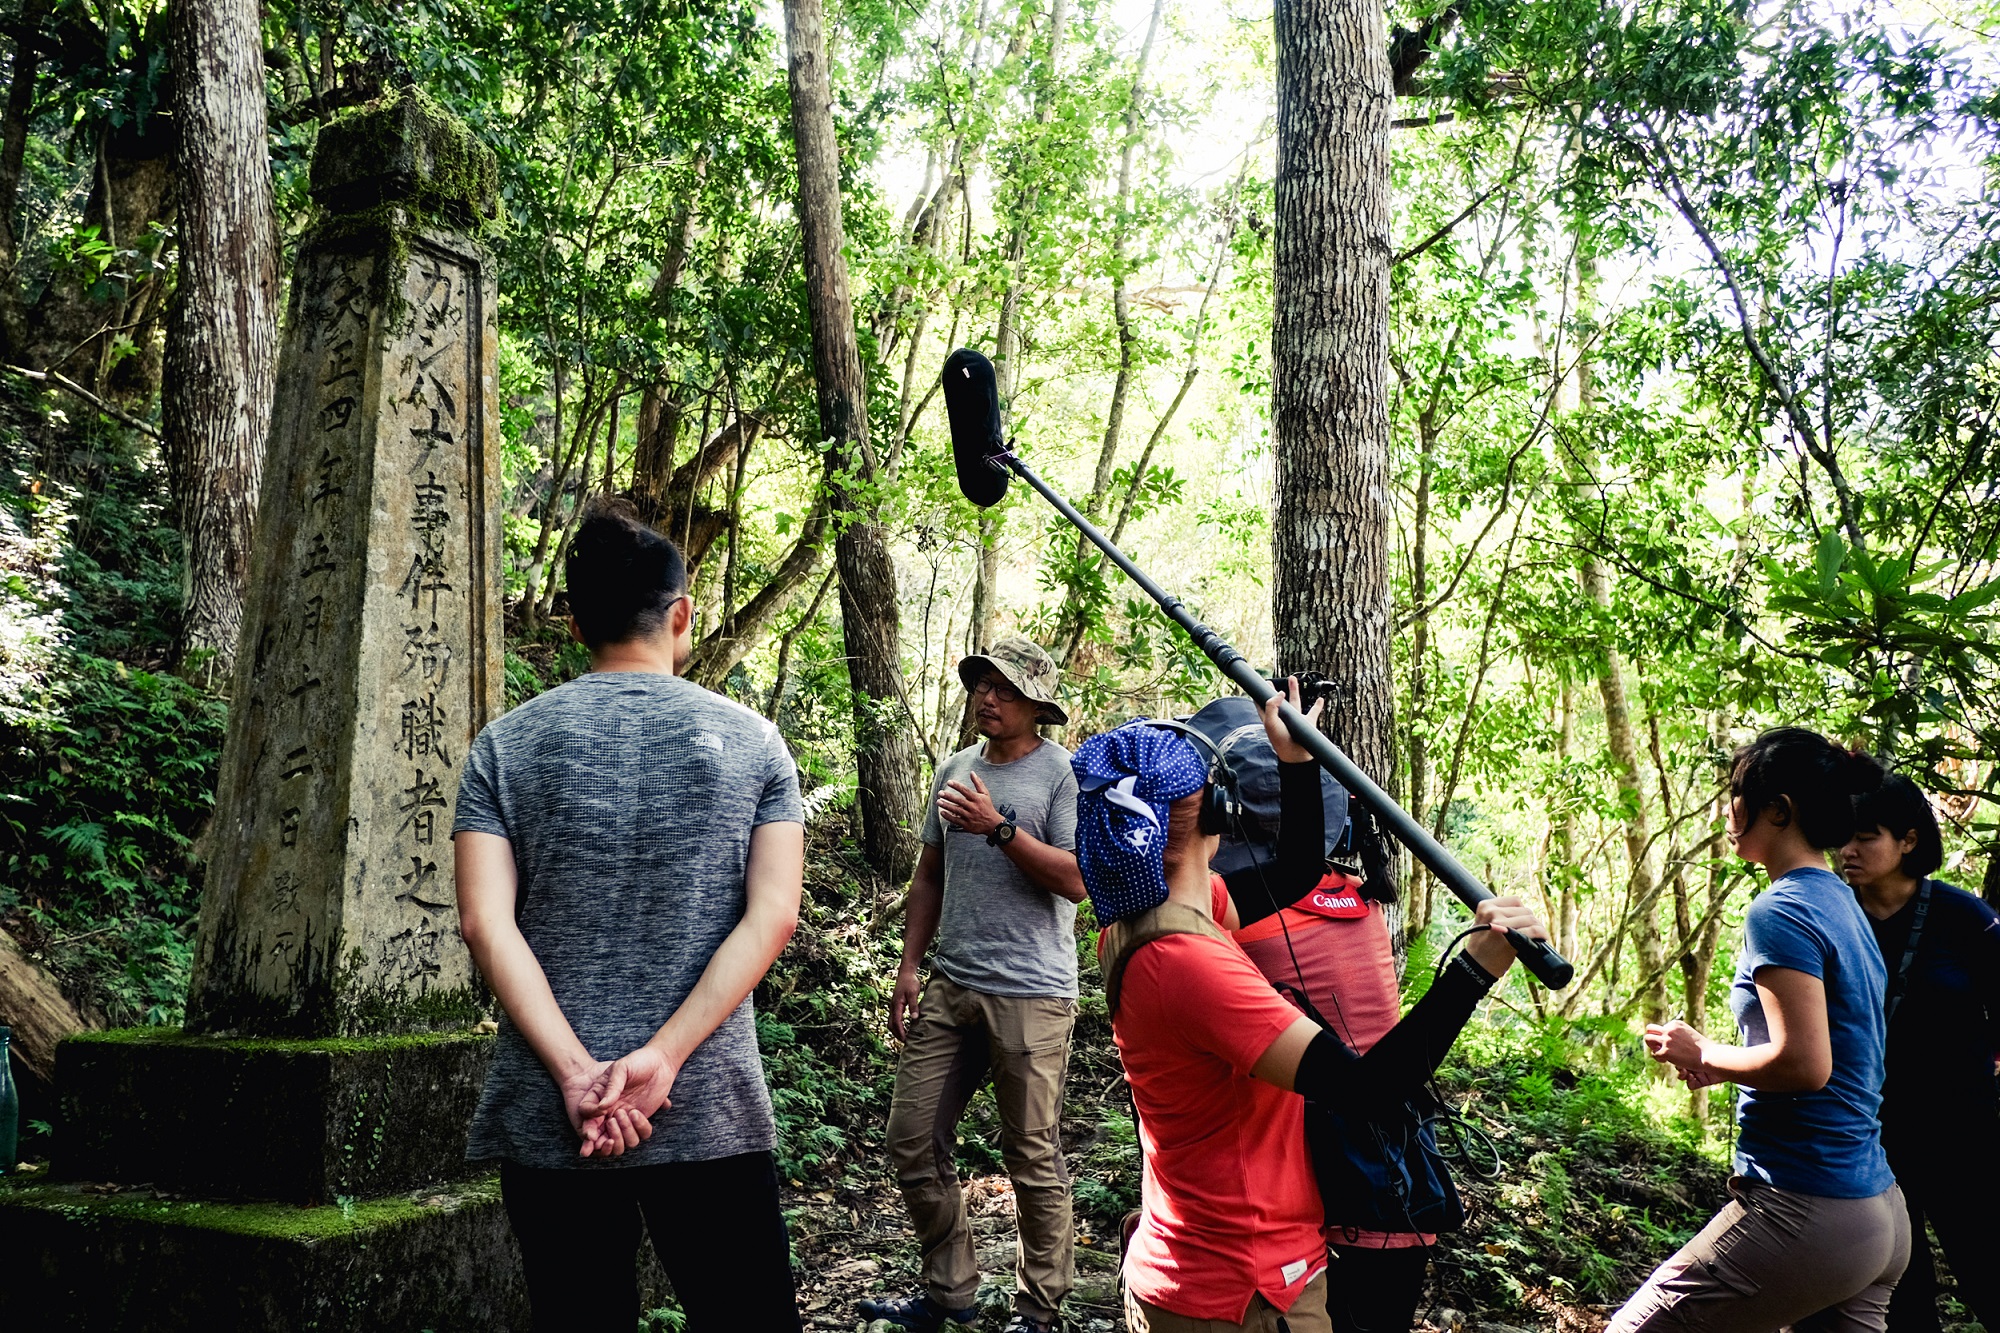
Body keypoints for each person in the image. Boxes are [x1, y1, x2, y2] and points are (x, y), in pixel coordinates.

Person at [1078, 682, 1548, 1333]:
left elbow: (1294, 872)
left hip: (1198, 1268)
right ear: (1216, 810)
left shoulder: (1145, 918)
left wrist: (1294, 762)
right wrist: (1475, 969)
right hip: (1243, 1288)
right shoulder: (1191, 966)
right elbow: (1368, 1090)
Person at [452, 498, 805, 1333]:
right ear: (682, 614)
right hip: (708, 1106)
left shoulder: (503, 746)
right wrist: (664, 1056)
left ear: (575, 622)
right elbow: (774, 916)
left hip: (553, 1112)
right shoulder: (755, 743)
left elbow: (484, 924)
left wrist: (578, 1075)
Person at [1617, 727, 1909, 1333]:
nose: (1728, 809)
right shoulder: (1843, 902)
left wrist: (1703, 1051)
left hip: (1808, 1204)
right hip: (1877, 1209)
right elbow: (1838, 1049)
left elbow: (1805, 1065)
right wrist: (1722, 1064)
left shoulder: (1781, 909)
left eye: (1736, 793)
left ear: (1778, 809)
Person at [1184, 698, 1448, 1333]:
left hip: (1337, 1174)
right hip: (1395, 1164)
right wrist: (1298, 764)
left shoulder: (1239, 916)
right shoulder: (1354, 893)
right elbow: (1299, 867)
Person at [862, 636, 1086, 1333]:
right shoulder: (955, 768)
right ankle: (948, 1291)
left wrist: (1000, 828)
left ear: (1037, 705)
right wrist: (908, 966)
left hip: (1033, 992)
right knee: (912, 1137)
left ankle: (1038, 1311)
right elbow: (929, 875)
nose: (988, 697)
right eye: (983, 684)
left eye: (1006, 689)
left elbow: (1077, 880)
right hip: (952, 984)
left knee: (1031, 1154)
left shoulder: (1062, 775)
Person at [1840, 774, 2000, 1333]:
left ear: (1908, 840)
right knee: (1897, 1289)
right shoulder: (1833, 916)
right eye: (1843, 836)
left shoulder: (1967, 919)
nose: (1848, 850)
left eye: (1865, 837)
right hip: (1870, 1137)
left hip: (1963, 1132)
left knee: (1986, 1265)